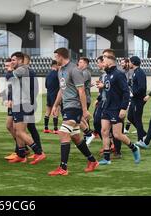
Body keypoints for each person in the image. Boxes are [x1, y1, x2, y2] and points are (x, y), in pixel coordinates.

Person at [47, 48, 98, 176]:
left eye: (55, 56)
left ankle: (63, 167)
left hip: (75, 106)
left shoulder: (74, 70)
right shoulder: (60, 70)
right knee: (75, 137)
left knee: (63, 132)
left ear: (60, 56)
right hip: (66, 106)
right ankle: (92, 160)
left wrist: (85, 110)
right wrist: (55, 105)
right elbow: (61, 89)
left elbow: (81, 91)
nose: (55, 59)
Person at [98, 49, 140, 165]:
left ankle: (134, 148)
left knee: (117, 135)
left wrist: (123, 108)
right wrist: (103, 86)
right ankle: (107, 158)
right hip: (107, 107)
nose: (102, 60)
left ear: (110, 59)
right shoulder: (107, 75)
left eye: (104, 58)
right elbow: (110, 89)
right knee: (104, 131)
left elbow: (126, 92)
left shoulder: (119, 74)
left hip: (116, 108)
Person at [7, 52, 46, 165]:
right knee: (16, 130)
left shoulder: (22, 69)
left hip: (23, 104)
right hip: (19, 104)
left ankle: (39, 152)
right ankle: (21, 155)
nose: (11, 62)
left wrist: (9, 70)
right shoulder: (21, 70)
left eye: (13, 60)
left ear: (20, 60)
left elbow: (8, 77)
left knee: (20, 131)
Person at [127, 56, 147, 143]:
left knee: (137, 119)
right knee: (130, 117)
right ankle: (143, 133)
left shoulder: (140, 72)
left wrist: (133, 93)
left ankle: (141, 140)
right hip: (134, 99)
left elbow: (142, 87)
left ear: (134, 63)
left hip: (138, 99)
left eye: (130, 62)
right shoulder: (135, 72)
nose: (129, 63)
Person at [77, 57, 96, 145]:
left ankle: (88, 136)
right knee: (83, 119)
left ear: (85, 64)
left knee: (82, 119)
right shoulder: (83, 72)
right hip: (84, 98)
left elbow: (80, 86)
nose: (78, 64)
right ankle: (87, 136)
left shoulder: (84, 73)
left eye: (80, 62)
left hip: (84, 98)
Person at [43, 60, 60, 134]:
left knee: (48, 111)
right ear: (55, 65)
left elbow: (46, 85)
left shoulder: (48, 74)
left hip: (49, 94)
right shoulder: (58, 74)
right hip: (56, 94)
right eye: (58, 65)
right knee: (56, 110)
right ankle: (55, 129)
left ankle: (46, 128)